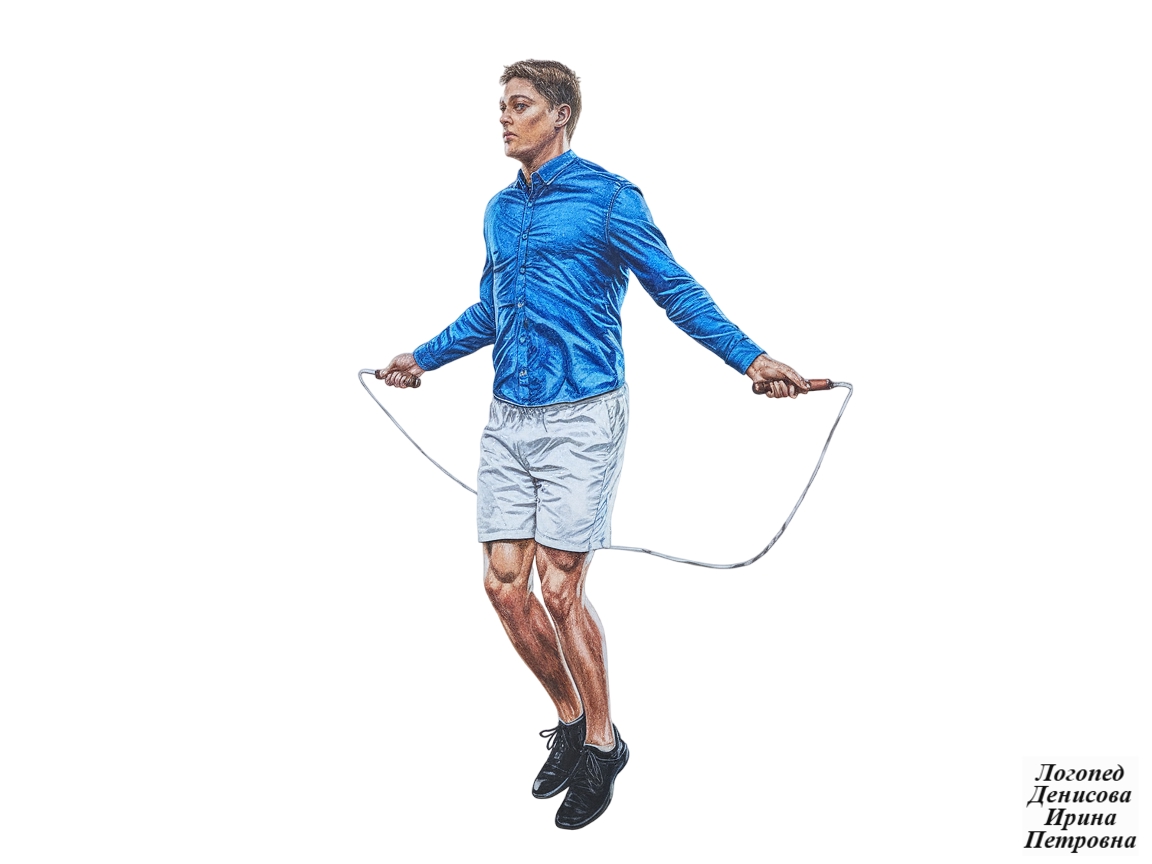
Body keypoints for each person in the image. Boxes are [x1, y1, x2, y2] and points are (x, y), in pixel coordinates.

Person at [379, 59, 808, 830]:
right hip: (508, 419)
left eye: (519, 105)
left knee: (560, 587)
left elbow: (674, 288)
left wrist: (751, 359)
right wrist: (423, 358)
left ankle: (605, 746)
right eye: (501, 106)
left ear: (560, 114)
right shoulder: (499, 211)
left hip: (584, 417)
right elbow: (491, 312)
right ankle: (573, 720)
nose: (504, 118)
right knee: (503, 587)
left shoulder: (611, 199)